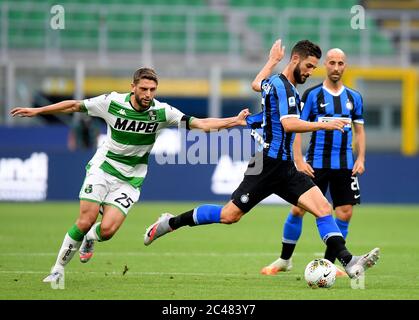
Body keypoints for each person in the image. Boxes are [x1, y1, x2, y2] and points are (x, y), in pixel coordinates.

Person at [143, 40, 379, 279]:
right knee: (228, 216)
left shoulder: (277, 83)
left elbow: (257, 84)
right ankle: (170, 223)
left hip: (286, 168)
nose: (310, 72)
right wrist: (325, 124)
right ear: (295, 60)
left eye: (313, 68)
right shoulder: (284, 88)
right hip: (266, 165)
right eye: (308, 66)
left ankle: (349, 262)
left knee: (323, 208)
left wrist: (272, 61)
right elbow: (288, 124)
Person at [10, 67, 251, 283]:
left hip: (131, 178)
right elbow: (75, 105)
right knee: (85, 219)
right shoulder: (112, 102)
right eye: (144, 89)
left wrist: (235, 121)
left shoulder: (161, 112)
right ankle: (58, 269)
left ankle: (91, 238)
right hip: (103, 168)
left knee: (107, 231)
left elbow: (201, 124)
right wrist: (38, 110)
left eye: (153, 89)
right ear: (133, 87)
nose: (148, 94)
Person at [260, 48, 366, 277]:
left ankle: (329, 264)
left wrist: (361, 158)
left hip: (344, 164)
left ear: (345, 66)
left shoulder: (354, 97)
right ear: (325, 66)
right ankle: (284, 259)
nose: (336, 67)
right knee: (299, 208)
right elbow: (296, 125)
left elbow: (360, 130)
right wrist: (298, 159)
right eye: (332, 63)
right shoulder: (311, 95)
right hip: (315, 162)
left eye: (340, 63)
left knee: (345, 212)